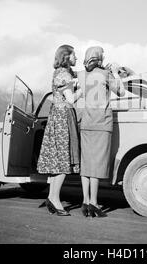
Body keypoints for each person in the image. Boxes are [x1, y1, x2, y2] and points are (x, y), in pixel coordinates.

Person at [77, 46, 125, 217]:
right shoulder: (106, 74)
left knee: (86, 162)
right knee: (97, 163)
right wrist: (115, 72)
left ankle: (85, 201)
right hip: (102, 123)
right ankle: (94, 203)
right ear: (99, 58)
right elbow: (121, 91)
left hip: (86, 122)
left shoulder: (82, 75)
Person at [37, 45, 82, 216]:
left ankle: (52, 197)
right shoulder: (64, 75)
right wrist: (83, 92)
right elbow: (71, 99)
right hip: (63, 116)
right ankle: (54, 199)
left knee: (59, 162)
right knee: (63, 161)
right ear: (66, 56)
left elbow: (78, 75)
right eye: (74, 55)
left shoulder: (63, 72)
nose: (76, 58)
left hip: (58, 115)